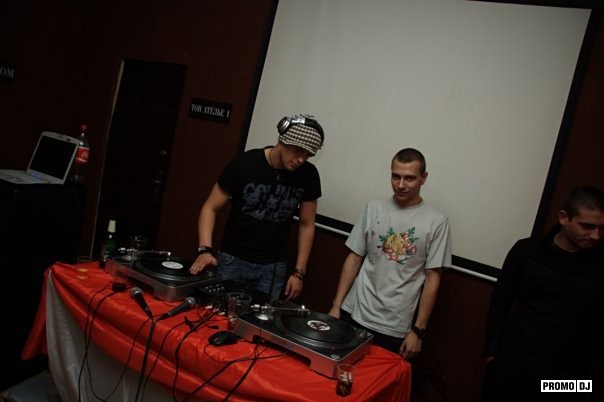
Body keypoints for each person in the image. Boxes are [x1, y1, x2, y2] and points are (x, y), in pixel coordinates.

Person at [328, 148, 452, 360]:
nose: (401, 184)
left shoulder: (437, 222)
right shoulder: (373, 208)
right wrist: (336, 305)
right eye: (396, 176)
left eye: (409, 178)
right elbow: (354, 257)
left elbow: (433, 277)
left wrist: (418, 331)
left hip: (394, 324)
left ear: (424, 178)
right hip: (354, 311)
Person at [483, 185, 604, 402]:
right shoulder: (527, 252)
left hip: (567, 374)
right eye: (587, 226)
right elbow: (500, 303)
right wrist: (492, 354)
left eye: (601, 228)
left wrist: (588, 384)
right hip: (515, 364)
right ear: (564, 218)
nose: (595, 235)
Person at [189, 114, 324, 301]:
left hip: (273, 267)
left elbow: (307, 224)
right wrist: (204, 250)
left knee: (261, 318)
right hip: (233, 259)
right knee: (219, 310)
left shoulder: (308, 174)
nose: (301, 159)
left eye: (308, 155)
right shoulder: (245, 164)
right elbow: (210, 208)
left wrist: (299, 273)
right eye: (298, 150)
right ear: (283, 139)